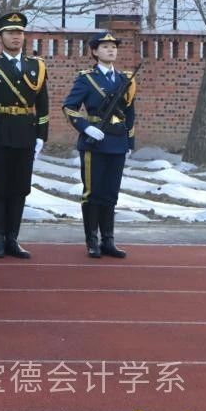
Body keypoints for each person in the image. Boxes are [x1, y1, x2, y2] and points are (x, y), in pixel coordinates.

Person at [0, 12, 48, 260]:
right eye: (10, 33)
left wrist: (41, 135)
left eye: (19, 33)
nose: (16, 37)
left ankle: (13, 238)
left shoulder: (36, 66)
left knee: (20, 187)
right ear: (1, 37)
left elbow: (43, 104)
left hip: (25, 133)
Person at [62, 31, 136, 260]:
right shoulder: (86, 79)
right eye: (105, 47)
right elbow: (69, 107)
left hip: (118, 141)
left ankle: (108, 240)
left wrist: (130, 141)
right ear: (94, 51)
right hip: (95, 142)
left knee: (111, 192)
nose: (111, 50)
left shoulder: (125, 79)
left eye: (113, 46)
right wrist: (85, 128)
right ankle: (92, 241)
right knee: (93, 193)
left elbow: (130, 112)